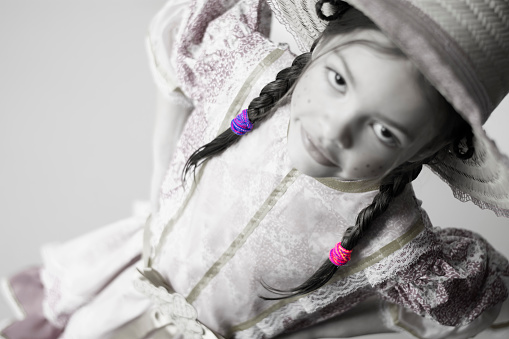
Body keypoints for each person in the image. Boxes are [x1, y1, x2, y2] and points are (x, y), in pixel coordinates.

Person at [1, 0, 509, 338]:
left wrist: (318, 326)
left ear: (430, 149)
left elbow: (470, 302)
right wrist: (160, 178)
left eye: (385, 132)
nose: (335, 130)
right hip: (122, 291)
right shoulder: (241, 72)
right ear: (320, 47)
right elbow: (174, 55)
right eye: (337, 79)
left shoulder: (392, 237)